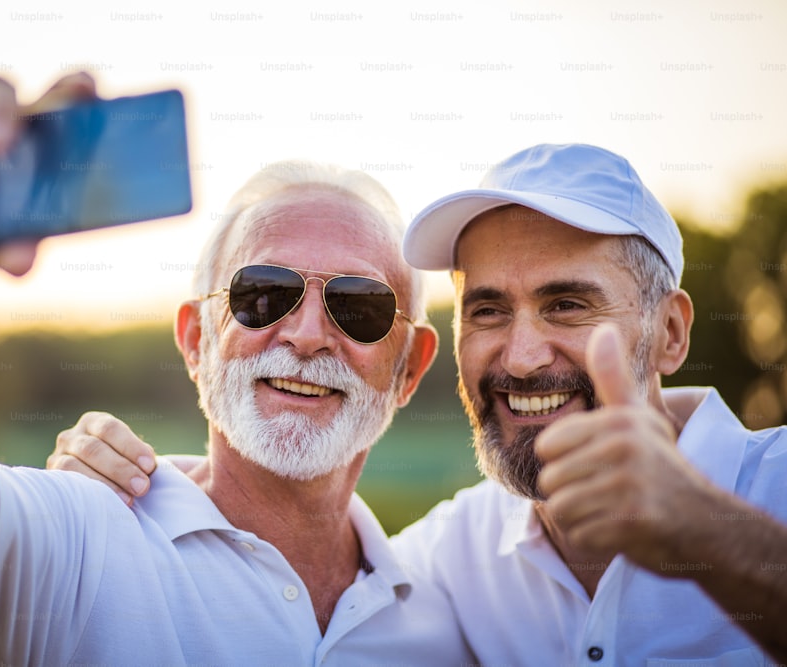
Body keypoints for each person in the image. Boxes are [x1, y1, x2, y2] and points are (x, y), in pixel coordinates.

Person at [0, 74, 469, 665]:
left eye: (359, 306)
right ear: (196, 342)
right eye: (262, 294)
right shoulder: (83, 539)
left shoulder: (454, 614)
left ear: (409, 367)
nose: (307, 333)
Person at [50, 143, 787, 664]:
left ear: (670, 332)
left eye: (567, 304)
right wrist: (156, 484)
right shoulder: (449, 562)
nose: (523, 355)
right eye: (490, 310)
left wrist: (708, 534)